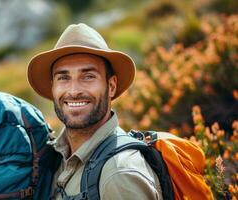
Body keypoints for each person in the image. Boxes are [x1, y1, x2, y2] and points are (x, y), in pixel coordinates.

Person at [27, 23, 163, 199]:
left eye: (88, 76)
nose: (74, 91)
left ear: (111, 86)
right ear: (53, 87)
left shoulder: (120, 175)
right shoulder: (56, 158)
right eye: (63, 78)